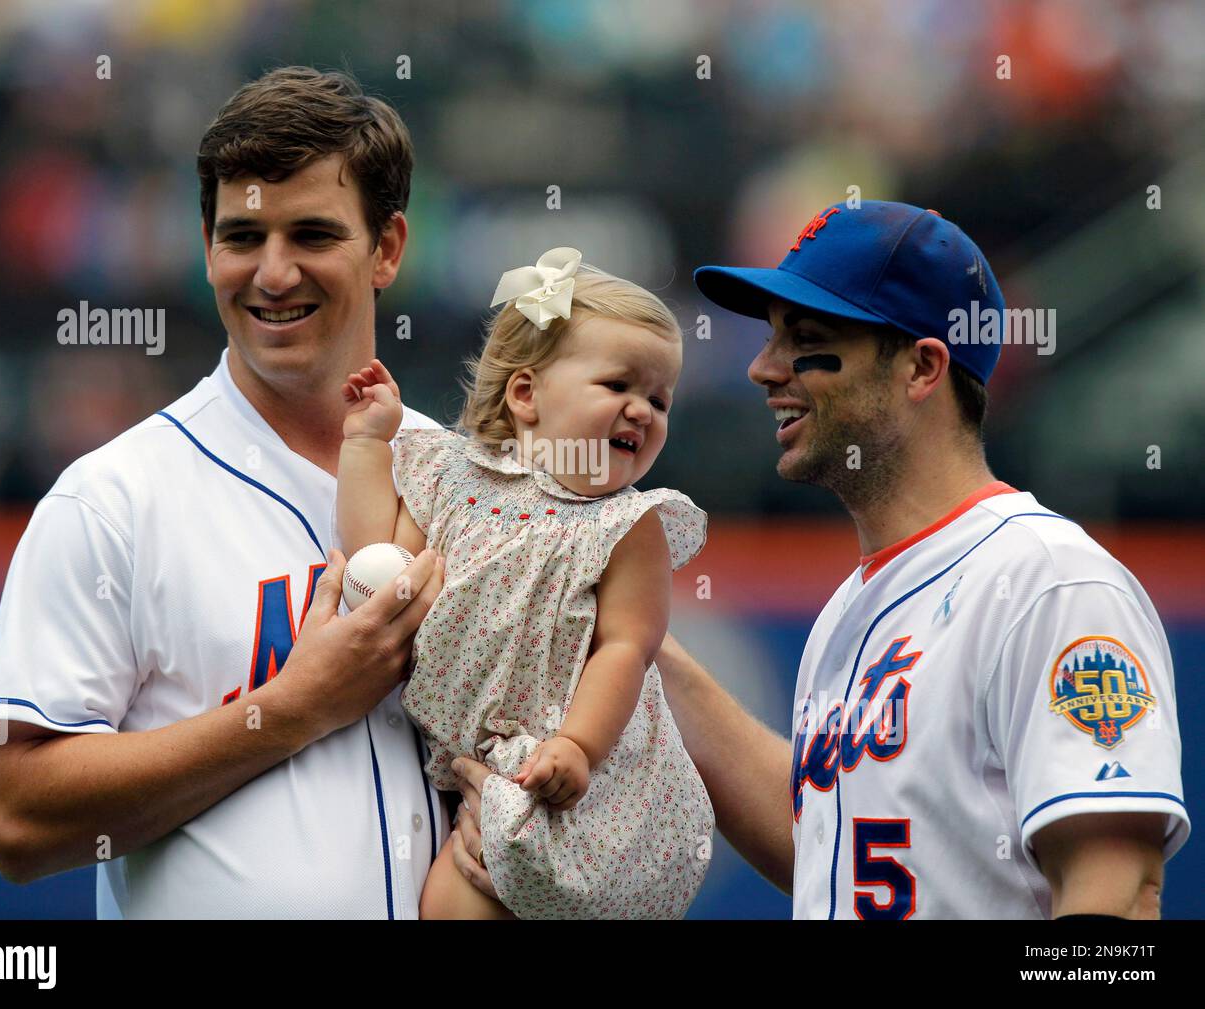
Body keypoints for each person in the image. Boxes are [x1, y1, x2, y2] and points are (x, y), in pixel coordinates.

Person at [454, 201, 1189, 919]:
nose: (764, 368)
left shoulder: (1049, 580)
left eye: (804, 337)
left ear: (922, 367)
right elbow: (833, 854)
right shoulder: (853, 605)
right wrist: (619, 630)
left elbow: (1118, 900)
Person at [0, 66, 447, 918]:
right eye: (242, 236)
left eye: (311, 234)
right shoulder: (115, 499)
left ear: (388, 248)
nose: (271, 272)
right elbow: (13, 814)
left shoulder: (470, 480)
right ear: (206, 246)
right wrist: (290, 711)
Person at [335, 249, 714, 919]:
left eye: (659, 398)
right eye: (619, 385)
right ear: (525, 393)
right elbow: (379, 564)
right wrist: (367, 443)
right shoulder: (452, 477)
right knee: (451, 901)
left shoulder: (627, 523)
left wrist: (578, 746)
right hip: (479, 768)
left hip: (578, 778)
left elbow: (626, 647)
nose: (642, 411)